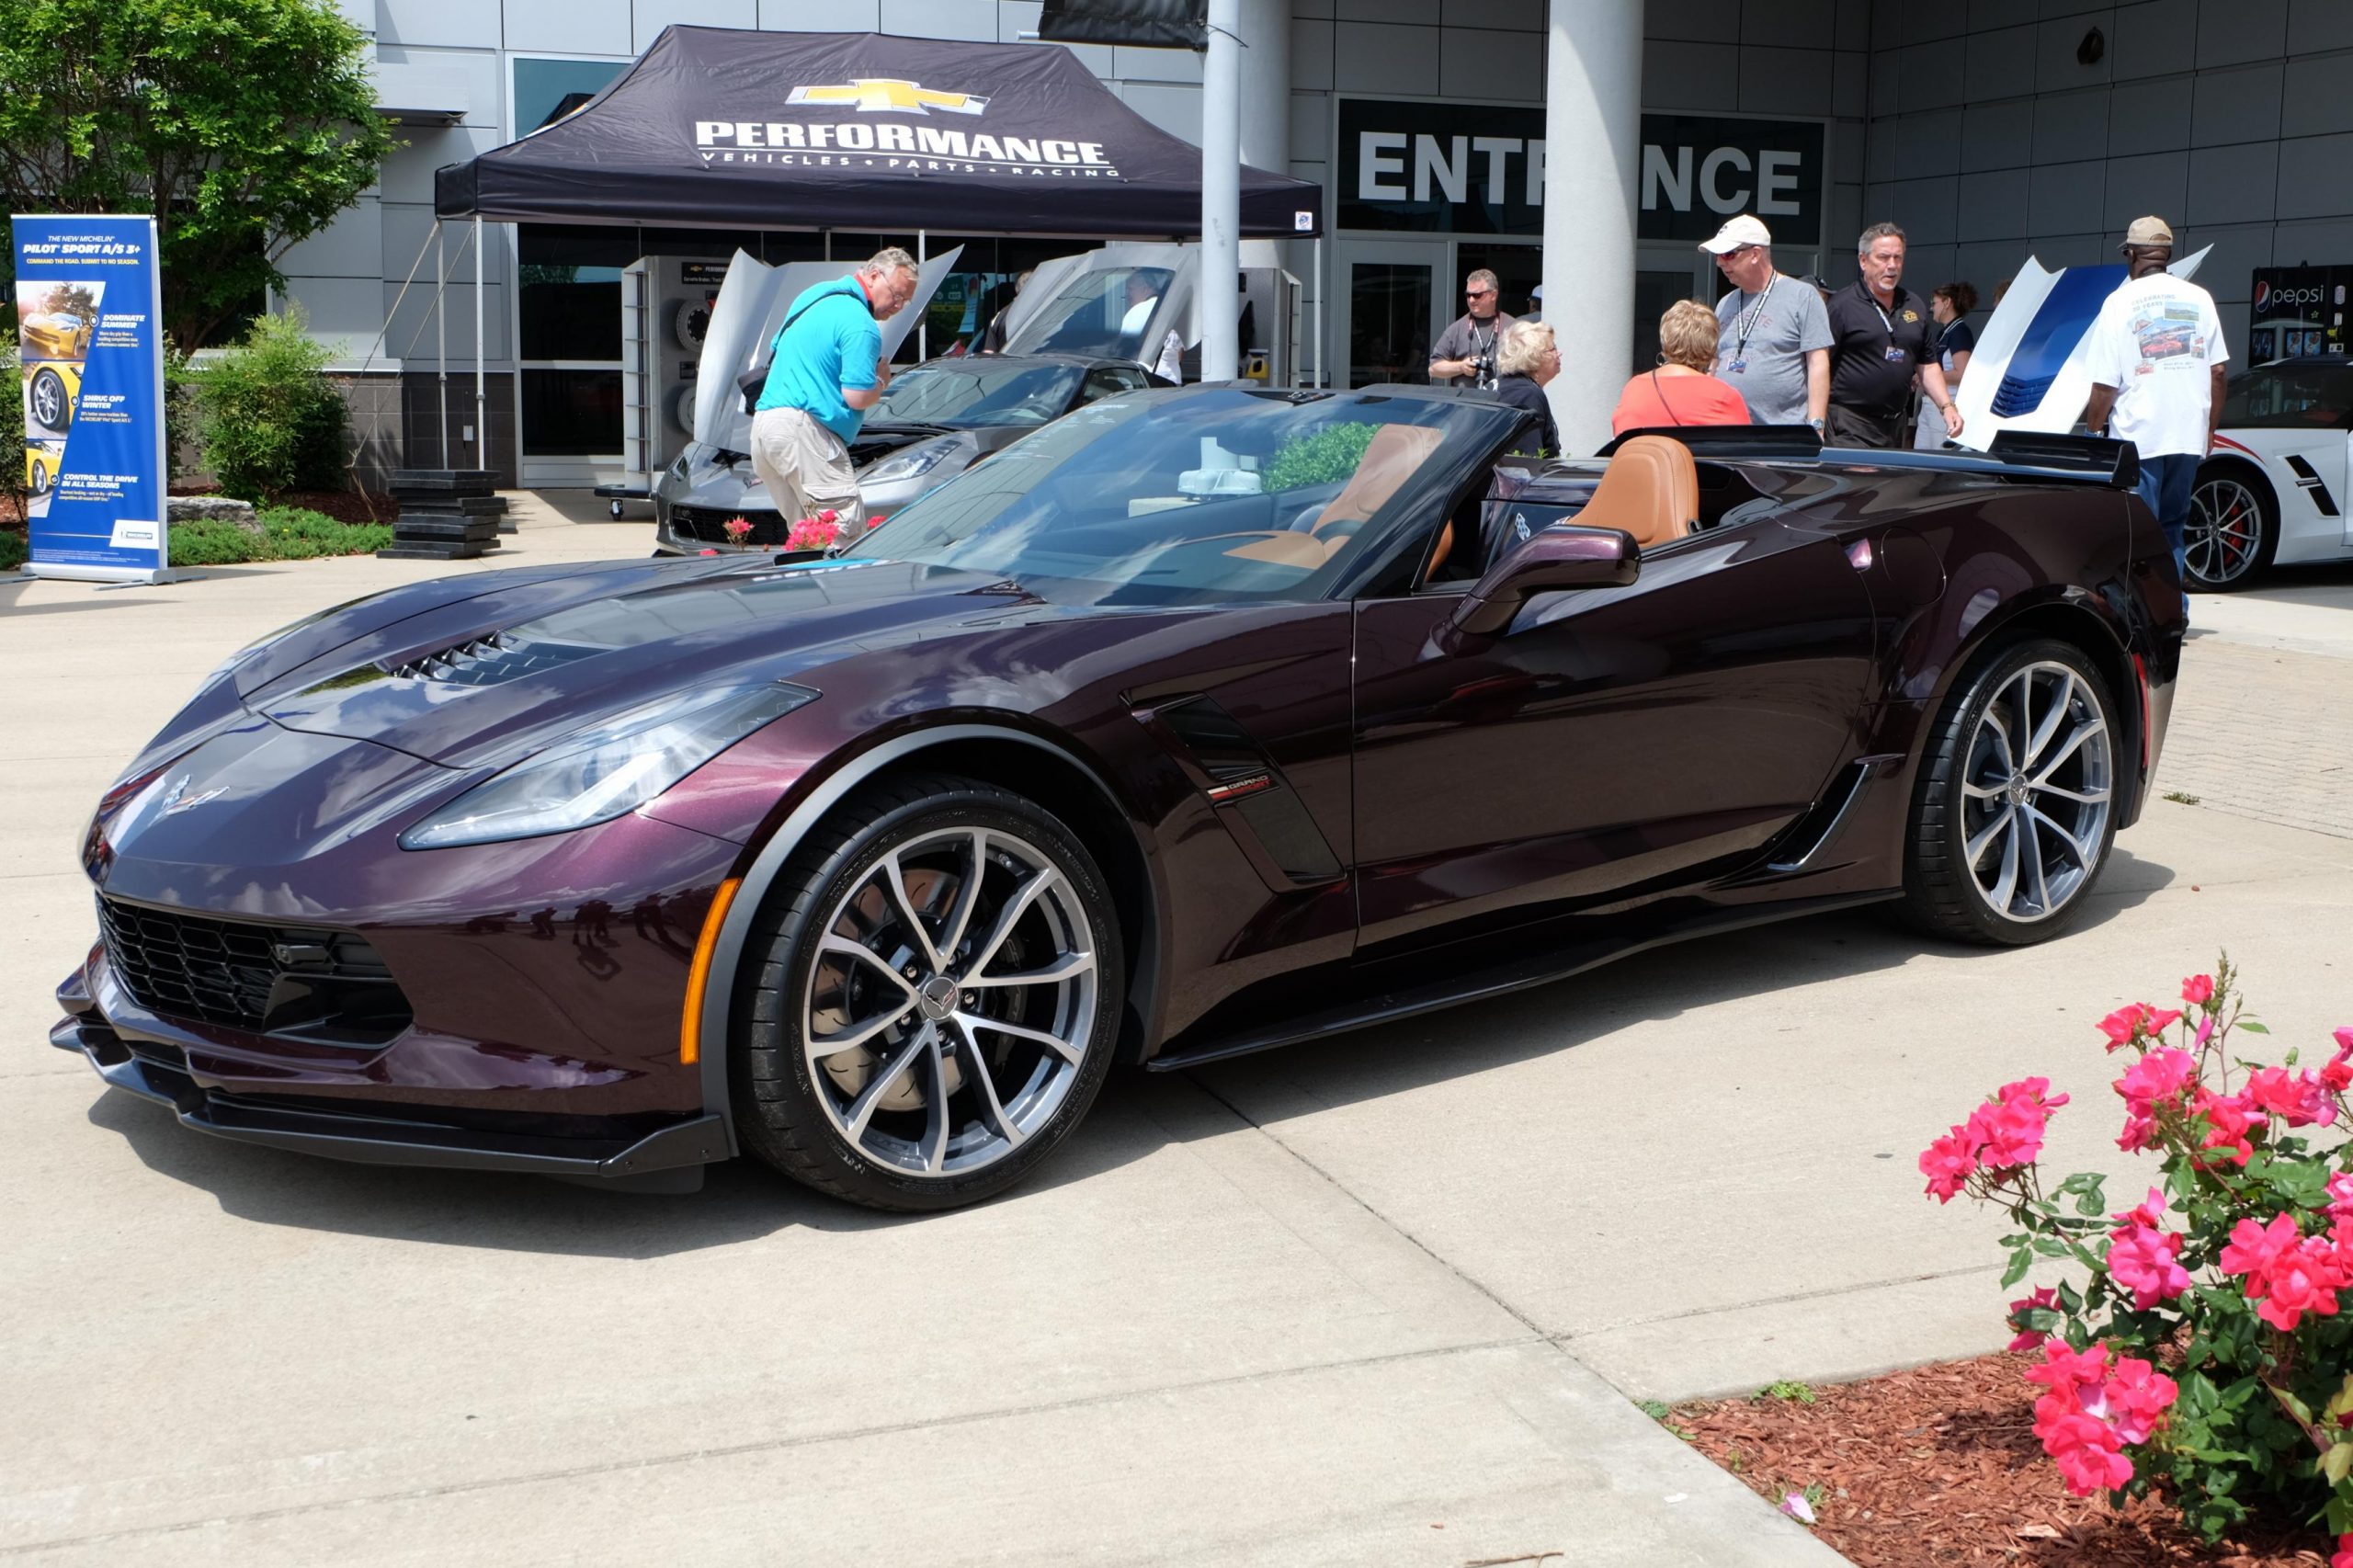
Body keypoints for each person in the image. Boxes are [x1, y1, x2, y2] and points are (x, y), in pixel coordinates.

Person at [2082, 215, 2228, 593]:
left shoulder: (2118, 303)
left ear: (2132, 255)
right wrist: (2210, 428)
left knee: (2135, 533)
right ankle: (2172, 615)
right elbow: (2219, 373)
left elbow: (2103, 384)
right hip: (2187, 436)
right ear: (2166, 254)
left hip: (2138, 437)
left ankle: (2139, 615)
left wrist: (2093, 430)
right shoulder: (2200, 298)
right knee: (2172, 526)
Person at [750, 246, 918, 539]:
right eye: (897, 295)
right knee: (842, 535)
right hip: (806, 432)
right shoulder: (861, 325)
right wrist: (880, 381)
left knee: (806, 539)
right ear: (875, 276)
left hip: (765, 429)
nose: (899, 306)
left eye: (906, 301)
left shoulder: (814, 295)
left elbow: (775, 349)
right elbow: (857, 396)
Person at [1826, 222, 1961, 449]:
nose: (1892, 266)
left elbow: (1927, 364)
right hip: (1850, 423)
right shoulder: (1842, 305)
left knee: (1887, 485)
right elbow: (1818, 365)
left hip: (1895, 425)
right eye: (1884, 257)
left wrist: (1947, 407)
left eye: (1898, 258)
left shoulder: (1914, 304)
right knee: (1861, 483)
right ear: (1863, 261)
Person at [1699, 214, 1831, 432]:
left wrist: (1816, 427)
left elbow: (1818, 363)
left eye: (1728, 254)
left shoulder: (1803, 296)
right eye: (1718, 256)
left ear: (1755, 254)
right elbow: (1714, 362)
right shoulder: (1725, 303)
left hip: (1780, 435)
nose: (1720, 262)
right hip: (1728, 432)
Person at [1611, 300, 1753, 435]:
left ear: (1664, 340)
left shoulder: (1634, 388)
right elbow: (1742, 454)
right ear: (1711, 347)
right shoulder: (1725, 397)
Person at [1912, 282, 1979, 449]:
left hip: (1946, 405)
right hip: (1930, 404)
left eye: (1934, 303)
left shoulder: (1960, 332)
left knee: (1937, 460)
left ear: (1947, 302)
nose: (1931, 308)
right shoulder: (1944, 332)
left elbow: (1962, 374)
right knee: (1921, 461)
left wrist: (1928, 377)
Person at [1428, 268, 1515, 389]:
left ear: (1493, 295)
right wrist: (1461, 367)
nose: (1471, 300)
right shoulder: (1456, 329)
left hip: (1502, 402)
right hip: (1467, 405)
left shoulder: (1513, 327)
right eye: (1468, 295)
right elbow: (1433, 368)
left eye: (1477, 295)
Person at [1490, 319, 1561, 457]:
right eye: (1553, 349)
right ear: (1534, 356)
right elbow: (1527, 464)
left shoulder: (1504, 385)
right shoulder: (1527, 396)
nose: (1559, 354)